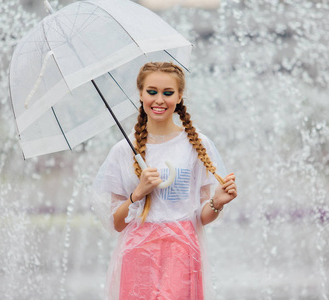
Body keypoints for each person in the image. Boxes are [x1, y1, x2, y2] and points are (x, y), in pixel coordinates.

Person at [94, 62, 237, 300]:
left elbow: (200, 216)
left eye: (168, 93)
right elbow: (117, 223)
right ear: (140, 94)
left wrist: (217, 203)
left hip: (181, 253)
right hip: (137, 254)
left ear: (180, 96)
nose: (159, 100)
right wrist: (138, 193)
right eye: (152, 92)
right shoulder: (123, 150)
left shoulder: (196, 145)